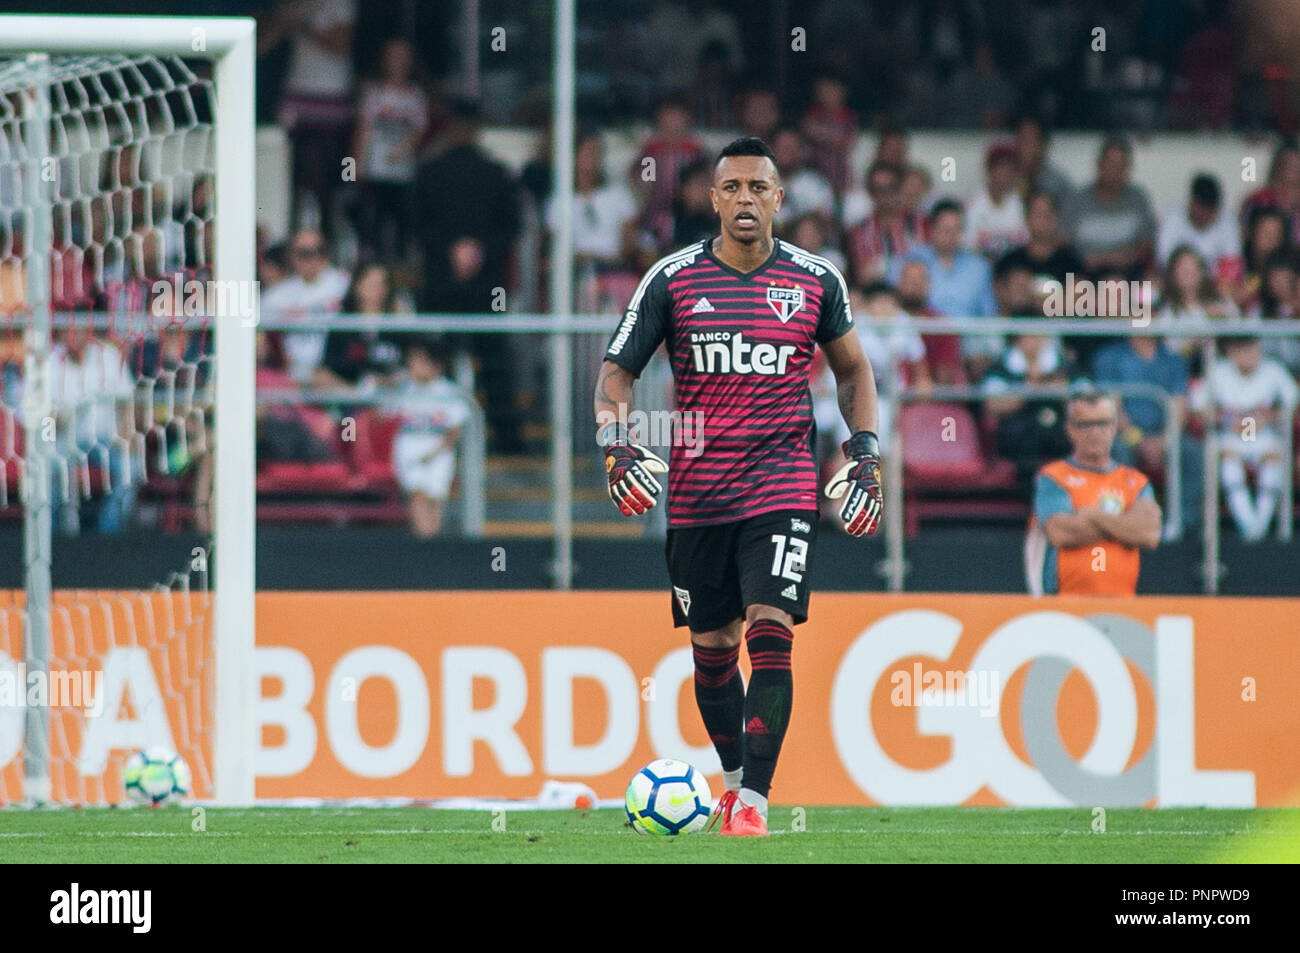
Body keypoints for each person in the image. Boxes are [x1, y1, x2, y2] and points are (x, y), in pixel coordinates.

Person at [593, 137, 881, 837]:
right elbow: (614, 376)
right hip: (696, 493)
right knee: (713, 649)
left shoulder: (816, 280)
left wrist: (865, 451)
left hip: (782, 484)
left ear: (780, 199)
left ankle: (754, 800)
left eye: (759, 187)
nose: (746, 199)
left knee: (771, 631)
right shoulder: (672, 279)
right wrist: (616, 446)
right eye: (733, 188)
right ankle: (728, 783)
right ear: (713, 198)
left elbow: (853, 372)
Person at [1028, 391, 1162, 596]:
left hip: (1124, 603)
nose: (1095, 432)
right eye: (1085, 425)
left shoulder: (1136, 481)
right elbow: (1061, 533)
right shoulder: (1054, 477)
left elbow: (1148, 534)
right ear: (1070, 429)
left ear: (1114, 427)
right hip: (1064, 600)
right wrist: (1124, 525)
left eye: (1102, 423)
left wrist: (1094, 515)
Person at [1193, 336, 1299, 541]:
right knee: (1228, 463)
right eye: (1241, 349)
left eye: (1251, 348)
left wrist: (1269, 417)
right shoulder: (1219, 371)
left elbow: (1293, 403)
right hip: (1232, 434)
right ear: (1231, 352)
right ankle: (1248, 524)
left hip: (1263, 433)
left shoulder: (1272, 369)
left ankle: (1260, 524)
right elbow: (1197, 406)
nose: (1248, 355)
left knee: (1273, 459)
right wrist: (1223, 419)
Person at [351, 37, 428, 263]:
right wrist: (358, 163)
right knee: (373, 219)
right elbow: (364, 128)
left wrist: (407, 149)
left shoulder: (415, 95)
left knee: (402, 222)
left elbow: (419, 130)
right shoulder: (374, 93)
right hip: (377, 169)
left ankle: (400, 264)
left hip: (403, 172)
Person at [391, 337, 470, 538]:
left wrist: (434, 453)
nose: (414, 366)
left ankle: (432, 545)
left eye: (419, 361)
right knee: (418, 497)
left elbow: (455, 430)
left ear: (435, 365)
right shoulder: (404, 389)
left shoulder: (448, 392)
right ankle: (424, 545)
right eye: (412, 361)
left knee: (435, 501)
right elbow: (382, 415)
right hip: (410, 450)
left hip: (438, 453)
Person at [257, 228, 350, 385]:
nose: (313, 258)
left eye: (319, 251)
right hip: (291, 373)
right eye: (304, 253)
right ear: (292, 256)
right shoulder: (277, 295)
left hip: (333, 370)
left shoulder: (344, 284)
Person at [1064, 137, 1157, 281]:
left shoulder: (1138, 199)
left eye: (1120, 165)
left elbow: (1147, 243)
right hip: (1085, 273)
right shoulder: (1078, 199)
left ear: (1127, 169)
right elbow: (1064, 240)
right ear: (1099, 164)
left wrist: (1127, 258)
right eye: (1110, 163)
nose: (1114, 170)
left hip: (1128, 273)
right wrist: (1097, 259)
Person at [1156, 172, 1242, 276]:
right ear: (1191, 203)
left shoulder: (1228, 223)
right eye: (1201, 209)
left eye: (1209, 211)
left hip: (1215, 286)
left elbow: (1232, 264)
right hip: (1178, 282)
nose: (1204, 215)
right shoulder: (1172, 219)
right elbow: (1164, 262)